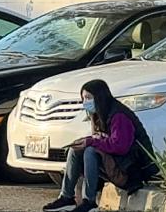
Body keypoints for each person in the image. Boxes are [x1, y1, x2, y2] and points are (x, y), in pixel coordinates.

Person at [42, 79, 158, 212]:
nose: (85, 102)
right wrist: (88, 137)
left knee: (90, 151)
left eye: (88, 98)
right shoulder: (100, 114)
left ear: (99, 97)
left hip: (131, 170)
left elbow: (120, 146)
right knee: (76, 150)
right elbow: (100, 139)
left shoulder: (119, 115)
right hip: (117, 164)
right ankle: (66, 197)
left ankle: (89, 201)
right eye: (83, 98)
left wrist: (91, 141)